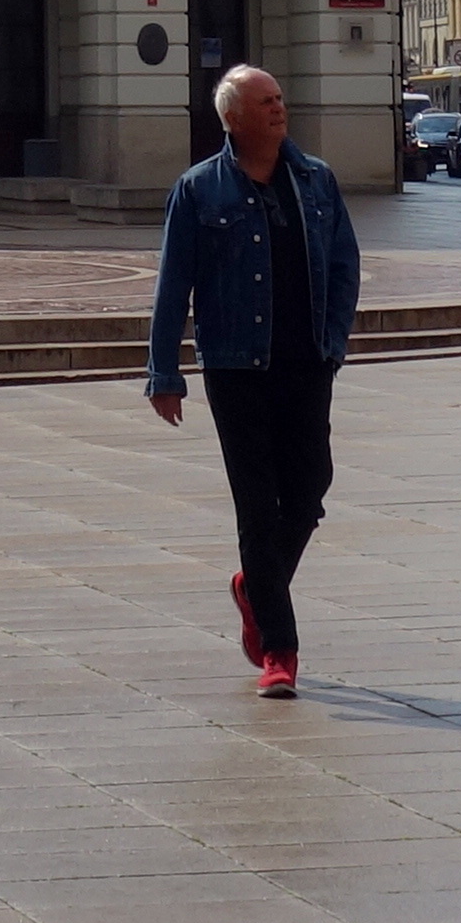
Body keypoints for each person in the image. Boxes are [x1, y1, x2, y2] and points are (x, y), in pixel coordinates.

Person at [147, 61, 360, 699]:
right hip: (236, 366)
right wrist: (164, 371)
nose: (278, 108)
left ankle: (253, 586)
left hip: (306, 361)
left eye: (279, 98)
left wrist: (334, 341)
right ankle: (278, 650)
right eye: (265, 101)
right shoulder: (199, 189)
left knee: (310, 488)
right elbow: (173, 283)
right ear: (234, 119)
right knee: (257, 504)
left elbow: (345, 264)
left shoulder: (316, 180)